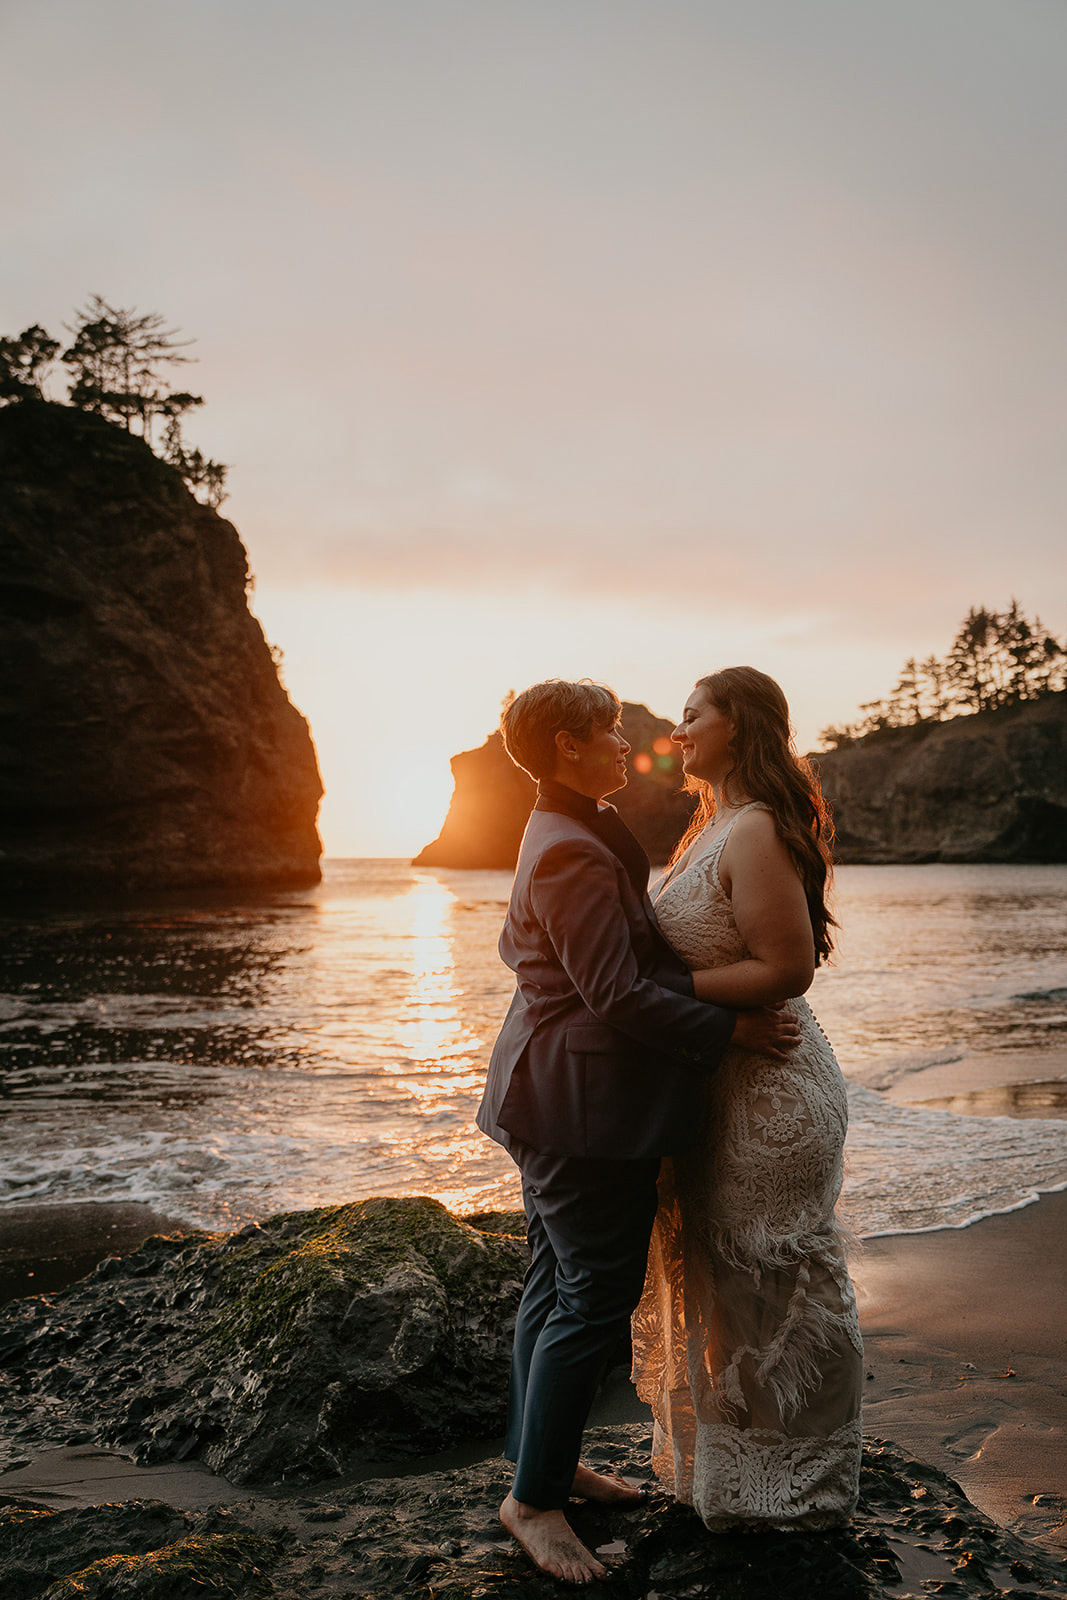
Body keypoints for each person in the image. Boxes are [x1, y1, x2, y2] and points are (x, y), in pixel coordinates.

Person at [476, 678, 801, 1584]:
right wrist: (729, 1027)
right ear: (563, 750)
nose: (628, 744)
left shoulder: (573, 825)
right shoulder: (569, 849)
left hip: (554, 1092)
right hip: (578, 1109)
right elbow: (611, 992)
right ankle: (534, 1504)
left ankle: (541, 1465)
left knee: (552, 1284)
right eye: (607, 733)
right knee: (588, 1297)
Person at [630, 665, 864, 1529]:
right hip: (727, 1083)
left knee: (779, 1291)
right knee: (732, 1293)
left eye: (693, 715)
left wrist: (658, 995)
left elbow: (785, 969)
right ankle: (739, 1483)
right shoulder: (711, 827)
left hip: (771, 1095)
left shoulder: (755, 827)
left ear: (740, 725)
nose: (679, 730)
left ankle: (801, 1490)